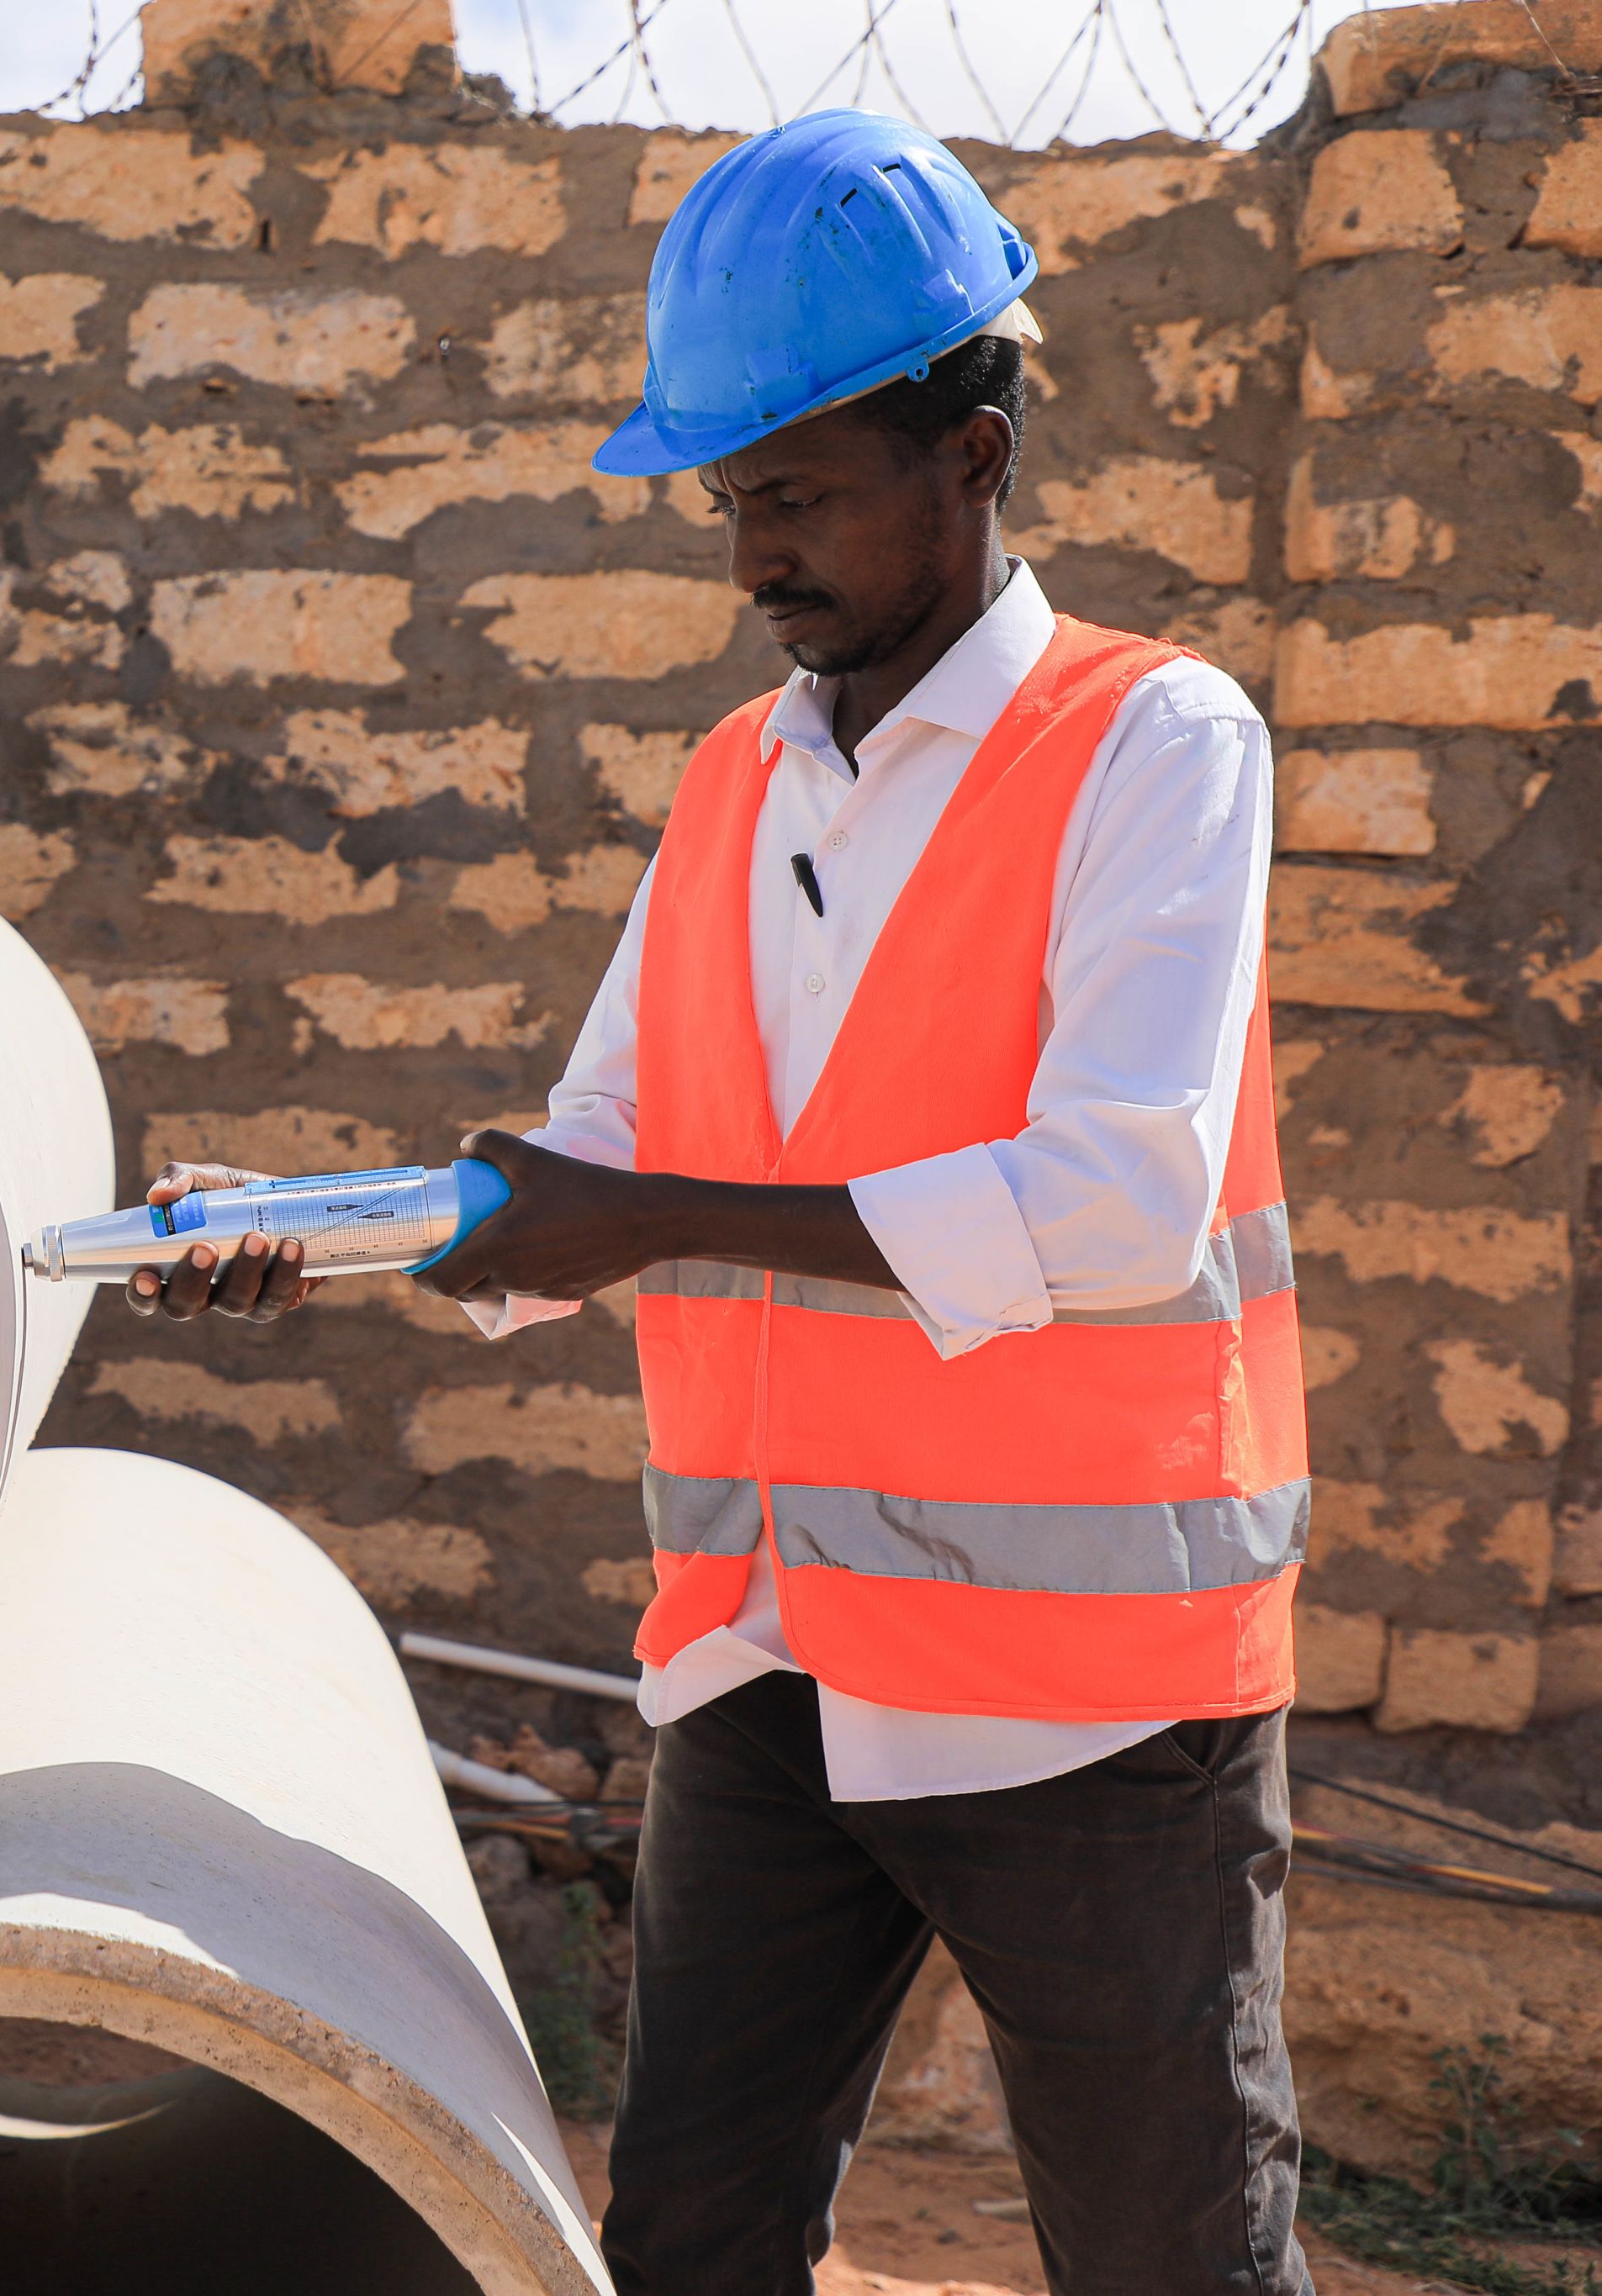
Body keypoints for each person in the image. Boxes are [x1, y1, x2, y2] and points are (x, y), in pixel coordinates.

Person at [129, 110, 1309, 2295]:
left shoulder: (1161, 748)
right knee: (684, 2241)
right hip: (767, 1665)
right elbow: (582, 1161)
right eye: (730, 502)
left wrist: (648, 1209)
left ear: (972, 454)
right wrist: (335, 1228)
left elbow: (1117, 1199)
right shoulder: (731, 782)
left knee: (1170, 2259)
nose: (749, 556)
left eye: (795, 494)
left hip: (1089, 1705)